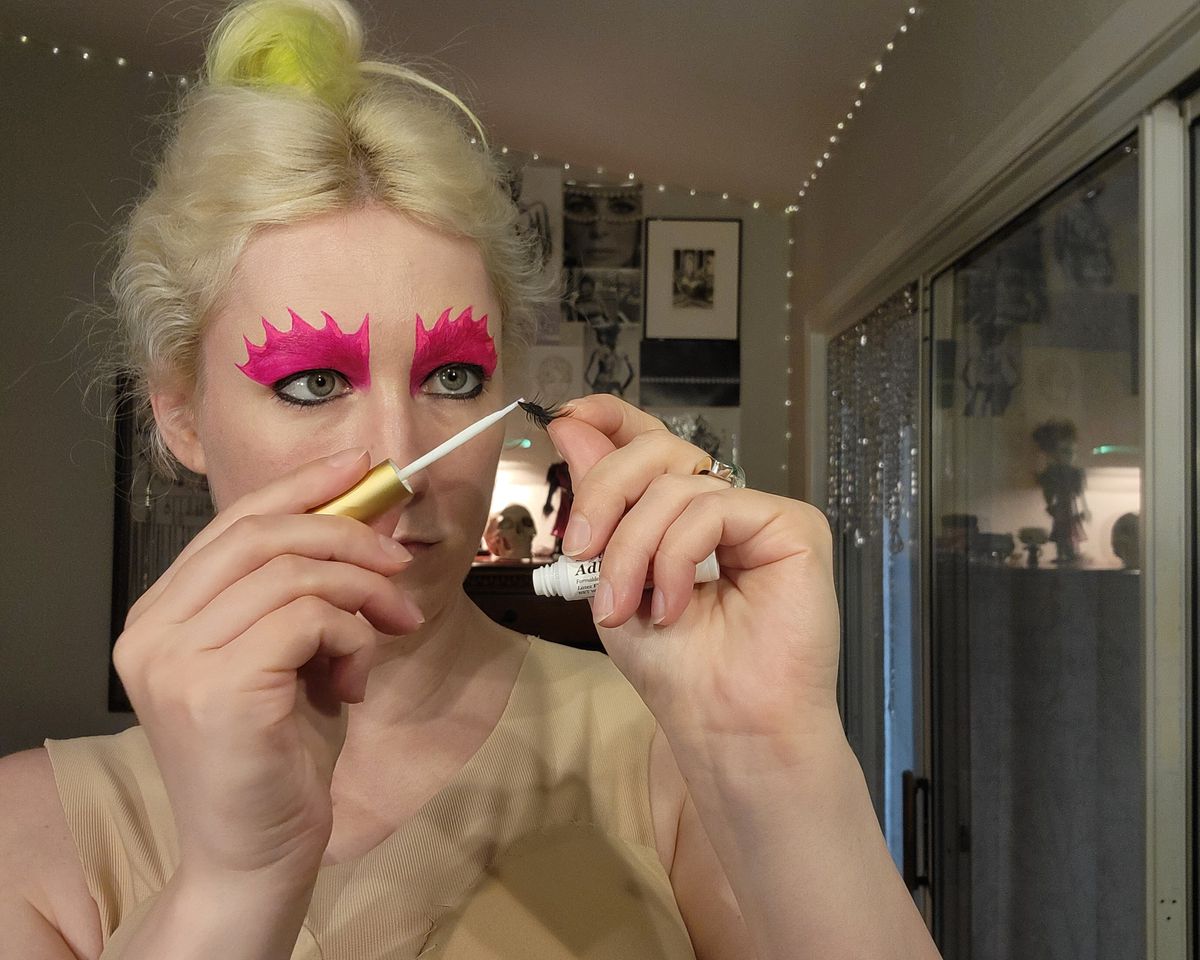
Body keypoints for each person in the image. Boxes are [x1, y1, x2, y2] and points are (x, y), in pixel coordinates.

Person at [0, 2, 942, 959]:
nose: (400, 466)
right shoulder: (29, 839)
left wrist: (773, 753)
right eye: (313, 382)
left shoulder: (663, 755)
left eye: (453, 378)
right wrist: (232, 887)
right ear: (181, 414)